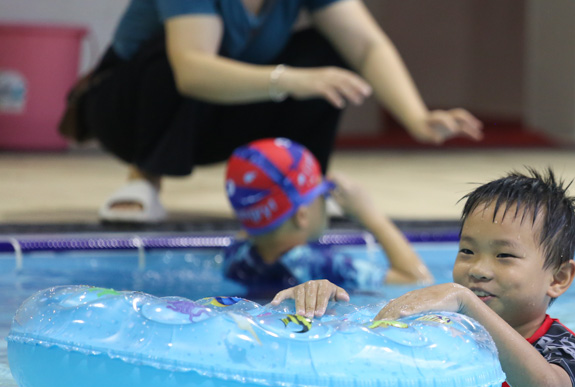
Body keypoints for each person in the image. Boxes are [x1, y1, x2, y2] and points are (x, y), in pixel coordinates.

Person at [71, 0, 483, 223]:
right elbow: (192, 71)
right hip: (126, 114)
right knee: (177, 54)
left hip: (213, 118)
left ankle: (303, 187)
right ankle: (144, 179)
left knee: (326, 56)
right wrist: (291, 79)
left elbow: (366, 45)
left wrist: (417, 118)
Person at [272, 169, 575, 387]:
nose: (478, 269)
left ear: (559, 278)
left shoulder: (564, 349)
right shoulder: (450, 332)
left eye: (504, 256)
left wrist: (465, 300)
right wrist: (324, 307)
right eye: (467, 252)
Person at [223, 137, 432, 298]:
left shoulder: (235, 258)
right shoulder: (325, 266)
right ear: (302, 216)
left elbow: (252, 213)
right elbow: (417, 280)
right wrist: (372, 217)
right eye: (321, 194)